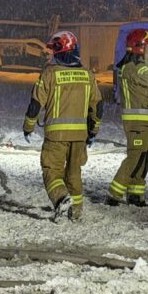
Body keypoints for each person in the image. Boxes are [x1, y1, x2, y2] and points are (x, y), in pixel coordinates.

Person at [24, 30, 103, 222]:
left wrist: (28, 126)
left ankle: (61, 198)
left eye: (52, 50)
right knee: (74, 174)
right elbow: (98, 105)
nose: (49, 54)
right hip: (80, 137)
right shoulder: (87, 75)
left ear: (60, 50)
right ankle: (75, 212)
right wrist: (93, 131)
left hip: (56, 136)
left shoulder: (50, 73)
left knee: (51, 170)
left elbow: (36, 103)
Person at [108, 28, 148, 206]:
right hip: (138, 121)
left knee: (144, 156)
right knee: (135, 157)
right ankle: (114, 194)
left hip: (144, 120)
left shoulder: (133, 67)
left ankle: (136, 195)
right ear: (140, 48)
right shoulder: (136, 68)